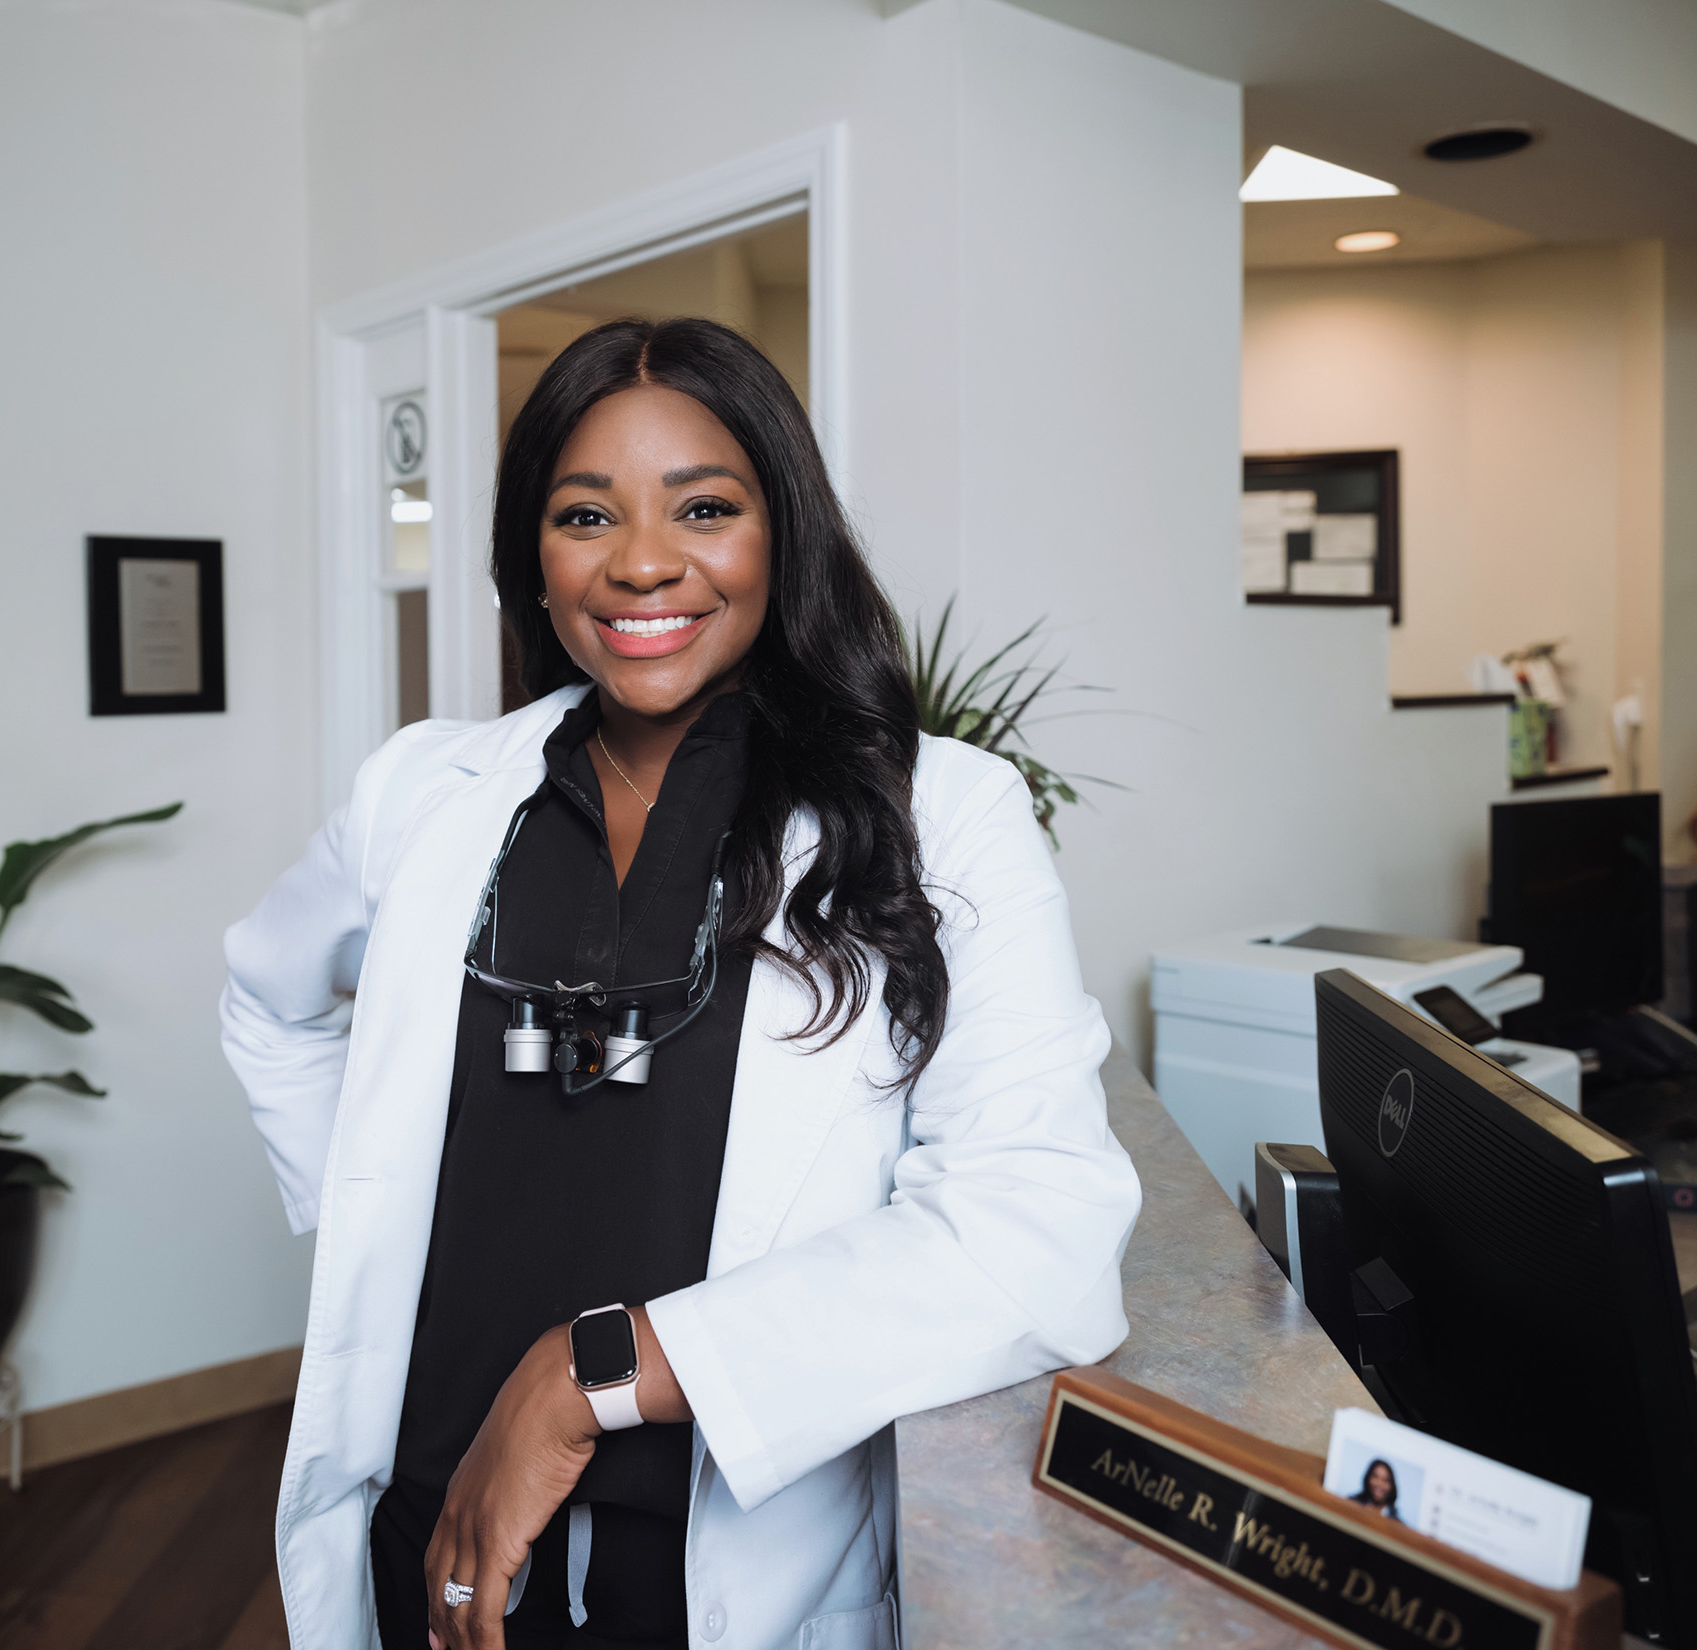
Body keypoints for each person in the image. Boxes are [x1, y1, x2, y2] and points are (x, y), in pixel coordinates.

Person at [221, 317, 1142, 1650]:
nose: (644, 561)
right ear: (530, 562)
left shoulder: (944, 814)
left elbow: (1040, 1233)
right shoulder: (426, 794)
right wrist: (371, 1218)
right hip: (432, 1527)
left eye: (705, 507)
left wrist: (587, 1375)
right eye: (584, 513)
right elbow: (267, 991)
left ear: (786, 533)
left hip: (721, 1575)